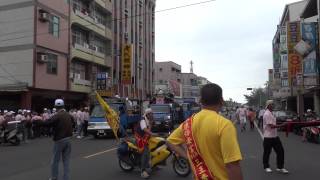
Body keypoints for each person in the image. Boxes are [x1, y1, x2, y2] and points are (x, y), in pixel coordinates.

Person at [167, 83, 243, 180]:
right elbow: (232, 165)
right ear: (221, 101)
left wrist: (189, 157)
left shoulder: (188, 123)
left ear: (200, 101)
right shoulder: (224, 125)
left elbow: (170, 141)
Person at [45, 99, 74, 180]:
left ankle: (54, 177)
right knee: (66, 161)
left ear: (55, 107)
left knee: (55, 161)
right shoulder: (68, 115)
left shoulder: (57, 115)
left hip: (60, 140)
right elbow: (73, 121)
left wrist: (38, 122)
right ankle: (66, 178)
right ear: (63, 106)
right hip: (68, 139)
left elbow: (48, 123)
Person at [263, 100, 288, 174]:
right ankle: (266, 166)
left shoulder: (272, 113)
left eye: (274, 104)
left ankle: (280, 167)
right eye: (272, 104)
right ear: (269, 105)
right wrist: (282, 125)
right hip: (268, 137)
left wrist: (282, 124)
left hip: (275, 136)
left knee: (280, 151)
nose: (274, 105)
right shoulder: (267, 114)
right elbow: (271, 126)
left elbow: (274, 123)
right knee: (267, 152)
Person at [134, 108, 154, 179]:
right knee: (144, 152)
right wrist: (152, 134)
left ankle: (150, 165)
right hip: (139, 138)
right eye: (151, 113)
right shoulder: (143, 120)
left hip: (144, 138)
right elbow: (144, 129)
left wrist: (151, 124)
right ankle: (143, 171)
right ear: (147, 114)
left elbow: (148, 130)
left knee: (149, 151)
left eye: (152, 113)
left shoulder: (149, 120)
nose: (152, 115)